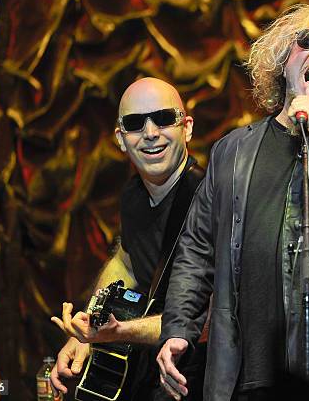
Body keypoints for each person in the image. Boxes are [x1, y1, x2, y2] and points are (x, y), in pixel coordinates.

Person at [156, 2, 309, 401]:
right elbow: (197, 249)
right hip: (240, 377)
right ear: (283, 58)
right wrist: (177, 330)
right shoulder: (232, 150)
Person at [50, 77, 206, 400]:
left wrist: (116, 333)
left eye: (163, 118)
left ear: (187, 127)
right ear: (121, 139)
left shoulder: (207, 199)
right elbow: (126, 261)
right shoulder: (134, 195)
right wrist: (87, 332)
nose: (150, 133)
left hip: (194, 378)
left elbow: (210, 321)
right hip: (143, 372)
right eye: (136, 124)